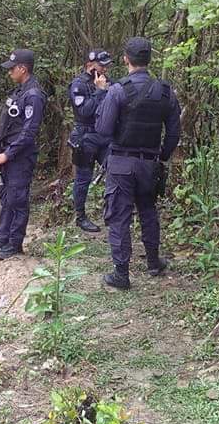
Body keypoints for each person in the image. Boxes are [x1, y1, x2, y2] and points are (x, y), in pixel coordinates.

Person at [95, 37, 181, 290]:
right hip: (149, 164)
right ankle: (154, 263)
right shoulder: (165, 92)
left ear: (125, 59)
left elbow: (102, 129)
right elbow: (174, 133)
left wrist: (102, 98)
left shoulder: (117, 90)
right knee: (148, 211)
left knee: (119, 216)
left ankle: (121, 274)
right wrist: (161, 156)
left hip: (122, 163)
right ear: (149, 59)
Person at [0, 49, 47, 261]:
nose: (9, 72)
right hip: (8, 153)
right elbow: (9, 120)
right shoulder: (18, 92)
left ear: (22, 69)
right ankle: (1, 239)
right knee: (7, 198)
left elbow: (28, 132)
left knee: (18, 199)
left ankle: (15, 243)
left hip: (19, 156)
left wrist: (7, 154)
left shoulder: (34, 95)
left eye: (12, 69)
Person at [68, 49, 113, 232]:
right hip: (85, 135)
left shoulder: (109, 83)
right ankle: (80, 216)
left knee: (114, 172)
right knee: (83, 178)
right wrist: (100, 91)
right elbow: (84, 111)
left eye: (106, 65)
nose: (104, 69)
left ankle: (111, 212)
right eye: (101, 66)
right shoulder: (78, 84)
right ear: (90, 65)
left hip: (105, 135)